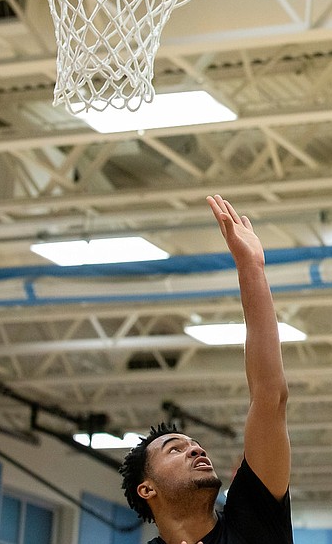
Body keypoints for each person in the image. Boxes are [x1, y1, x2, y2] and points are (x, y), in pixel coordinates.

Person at [119, 195, 293, 544]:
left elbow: (269, 397)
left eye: (193, 444)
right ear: (146, 489)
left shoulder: (253, 516)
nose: (196, 450)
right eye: (175, 449)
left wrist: (251, 269)